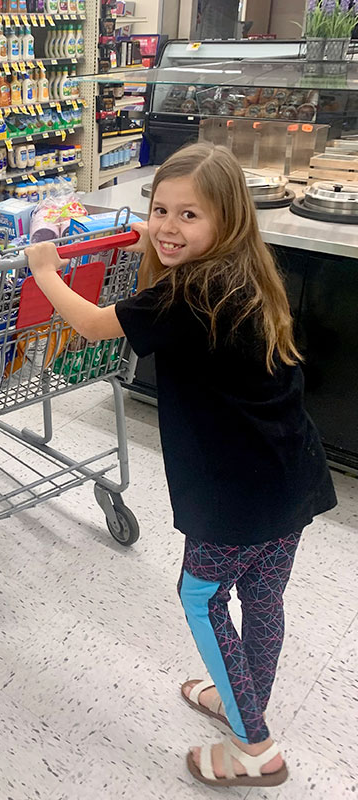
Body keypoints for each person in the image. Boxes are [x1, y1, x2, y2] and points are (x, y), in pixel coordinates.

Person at [25, 143, 337, 789]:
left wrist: (45, 269)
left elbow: (89, 324)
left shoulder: (187, 294)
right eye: (160, 209)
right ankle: (240, 700)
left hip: (234, 493)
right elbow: (170, 244)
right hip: (291, 473)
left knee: (201, 598)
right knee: (263, 596)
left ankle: (257, 749)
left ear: (226, 221)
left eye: (189, 215)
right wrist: (155, 234)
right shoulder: (247, 270)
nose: (169, 226)